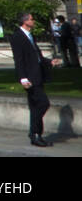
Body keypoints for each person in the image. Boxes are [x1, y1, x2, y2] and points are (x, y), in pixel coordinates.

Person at [10, 11, 60, 147]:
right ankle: (35, 132)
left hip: (37, 75)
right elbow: (19, 60)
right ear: (25, 21)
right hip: (30, 77)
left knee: (35, 106)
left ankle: (36, 135)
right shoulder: (17, 37)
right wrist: (23, 78)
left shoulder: (30, 36)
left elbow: (37, 56)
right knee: (43, 104)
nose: (34, 21)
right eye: (31, 19)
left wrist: (49, 62)